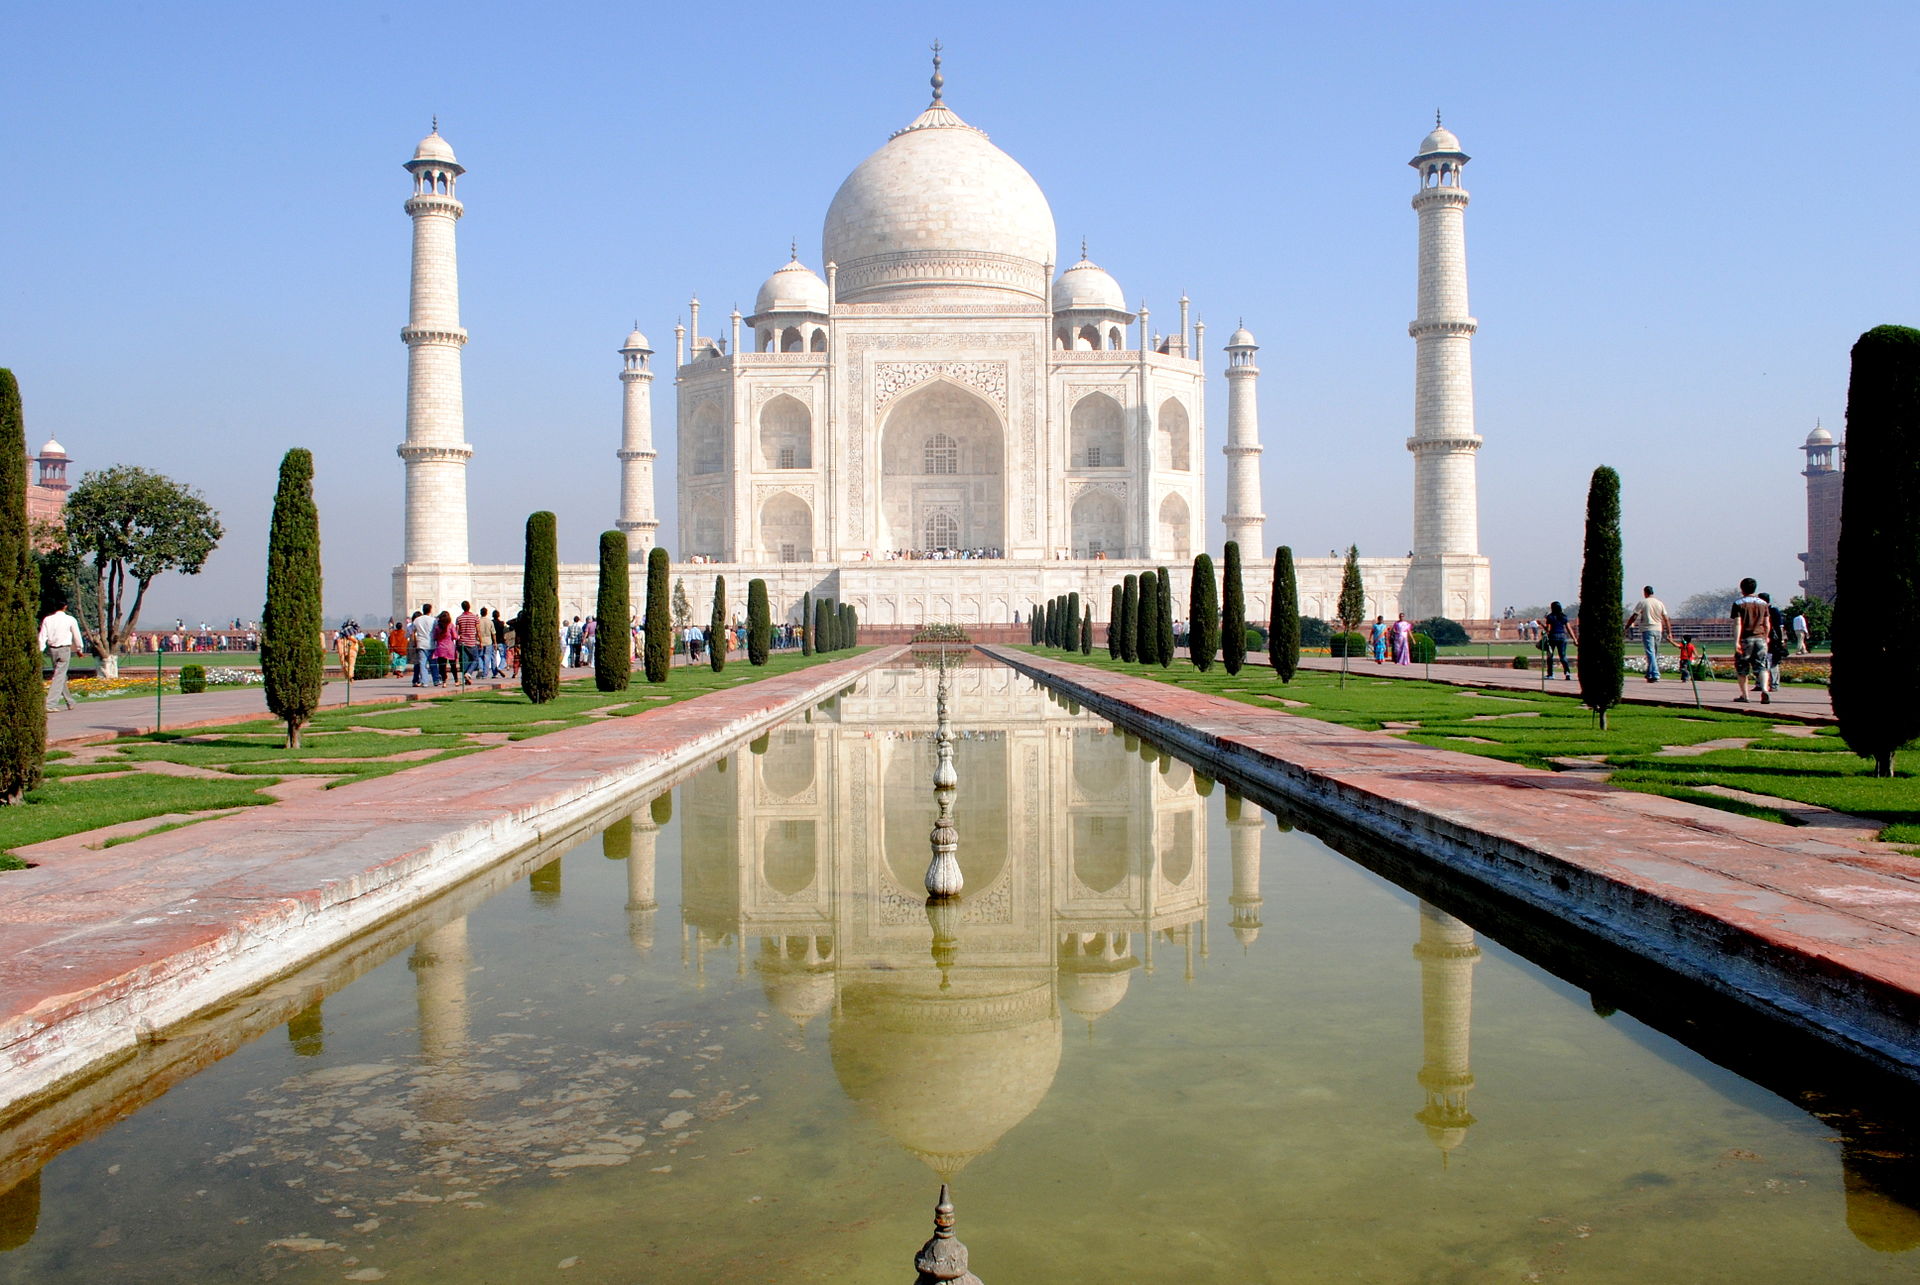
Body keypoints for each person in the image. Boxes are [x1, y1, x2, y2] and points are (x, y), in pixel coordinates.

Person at [1729, 578, 1772, 704]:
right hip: (1760, 638)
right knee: (1762, 666)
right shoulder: (1763, 604)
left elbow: (1738, 623)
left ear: (1742, 589)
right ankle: (1764, 689)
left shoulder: (1738, 603)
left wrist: (1736, 641)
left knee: (1742, 668)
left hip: (1745, 639)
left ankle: (1745, 695)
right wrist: (1766, 636)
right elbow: (1767, 623)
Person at [38, 598, 84, 711]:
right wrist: (79, 648)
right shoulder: (69, 619)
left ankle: (70, 701)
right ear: (65, 607)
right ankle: (50, 704)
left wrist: (40, 649)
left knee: (60, 675)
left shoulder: (48, 620)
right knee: (59, 676)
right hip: (64, 649)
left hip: (52, 649)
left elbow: (42, 636)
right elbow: (76, 635)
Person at [1625, 586, 1670, 683]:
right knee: (1654, 653)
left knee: (1650, 652)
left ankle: (1655, 674)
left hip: (1648, 629)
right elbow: (1666, 618)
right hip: (1658, 629)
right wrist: (1669, 631)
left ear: (1645, 592)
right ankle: (1650, 674)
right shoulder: (1659, 603)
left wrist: (1627, 626)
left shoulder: (1643, 602)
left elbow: (1634, 616)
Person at [1759, 592, 1788, 693]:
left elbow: (1780, 627)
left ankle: (1774, 684)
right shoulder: (1761, 611)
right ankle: (1761, 684)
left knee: (1773, 663)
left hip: (1772, 641)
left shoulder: (1773, 611)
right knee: (1761, 662)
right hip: (1762, 639)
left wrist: (1781, 640)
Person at [454, 601, 484, 685]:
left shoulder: (459, 618)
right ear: (469, 607)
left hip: (462, 642)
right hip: (471, 642)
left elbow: (457, 631)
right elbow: (478, 631)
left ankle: (465, 678)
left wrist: (456, 642)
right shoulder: (474, 617)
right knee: (475, 659)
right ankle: (468, 673)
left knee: (464, 660)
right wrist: (481, 641)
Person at [1543, 601, 1574, 679]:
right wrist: (1574, 639)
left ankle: (1550, 674)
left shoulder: (1550, 617)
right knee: (1563, 657)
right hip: (1562, 637)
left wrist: (1541, 624)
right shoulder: (1563, 616)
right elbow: (1569, 628)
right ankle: (1567, 673)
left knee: (1550, 656)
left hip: (1552, 637)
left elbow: (1548, 630)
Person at [410, 605, 435, 687]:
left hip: (421, 644)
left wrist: (414, 643)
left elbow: (413, 633)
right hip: (431, 644)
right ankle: (436, 680)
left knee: (422, 664)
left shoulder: (417, 620)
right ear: (430, 610)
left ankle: (425, 682)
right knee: (433, 664)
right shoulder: (433, 620)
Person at [431, 609, 456, 686]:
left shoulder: (438, 627)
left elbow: (435, 637)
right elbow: (455, 636)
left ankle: (444, 682)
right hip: (450, 648)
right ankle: (456, 681)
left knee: (442, 665)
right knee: (453, 665)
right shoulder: (451, 625)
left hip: (441, 648)